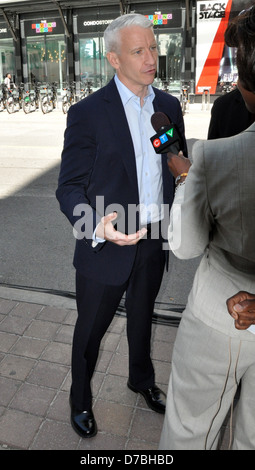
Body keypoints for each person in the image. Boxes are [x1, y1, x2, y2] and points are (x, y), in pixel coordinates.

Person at [56, 13, 187, 438]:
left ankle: (141, 380)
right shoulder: (88, 113)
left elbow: (171, 161)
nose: (151, 58)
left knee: (142, 317)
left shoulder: (167, 106)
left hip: (153, 235)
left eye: (153, 47)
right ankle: (79, 401)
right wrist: (96, 227)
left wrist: (183, 177)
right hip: (107, 240)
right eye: (138, 51)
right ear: (114, 59)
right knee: (90, 331)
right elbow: (69, 189)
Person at [159, 5, 255, 450]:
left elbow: (185, 244)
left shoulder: (216, 157)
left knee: (189, 430)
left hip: (223, 313)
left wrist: (188, 179)